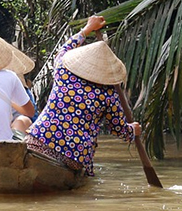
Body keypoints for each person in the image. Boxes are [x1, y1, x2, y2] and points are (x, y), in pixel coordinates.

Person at [25, 15, 142, 176]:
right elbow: (118, 128)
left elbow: (64, 50)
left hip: (38, 142)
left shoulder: (63, 71)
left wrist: (87, 29)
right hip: (73, 156)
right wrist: (133, 130)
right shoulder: (108, 94)